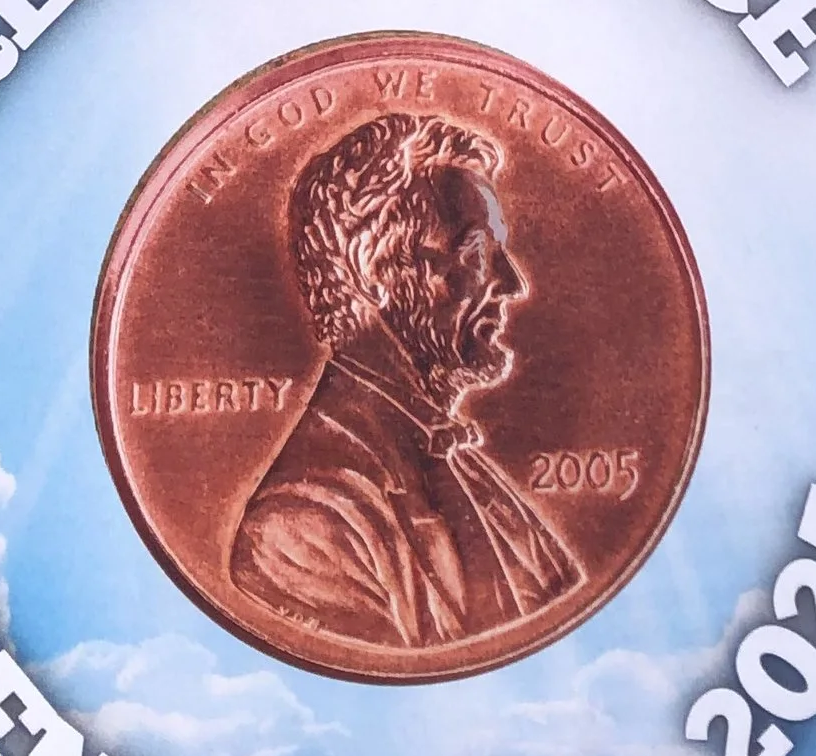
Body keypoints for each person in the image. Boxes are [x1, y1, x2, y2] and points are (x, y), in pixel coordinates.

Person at [229, 113, 579, 651]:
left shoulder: (470, 469)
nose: (512, 284)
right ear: (375, 273)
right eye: (476, 254)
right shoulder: (296, 530)